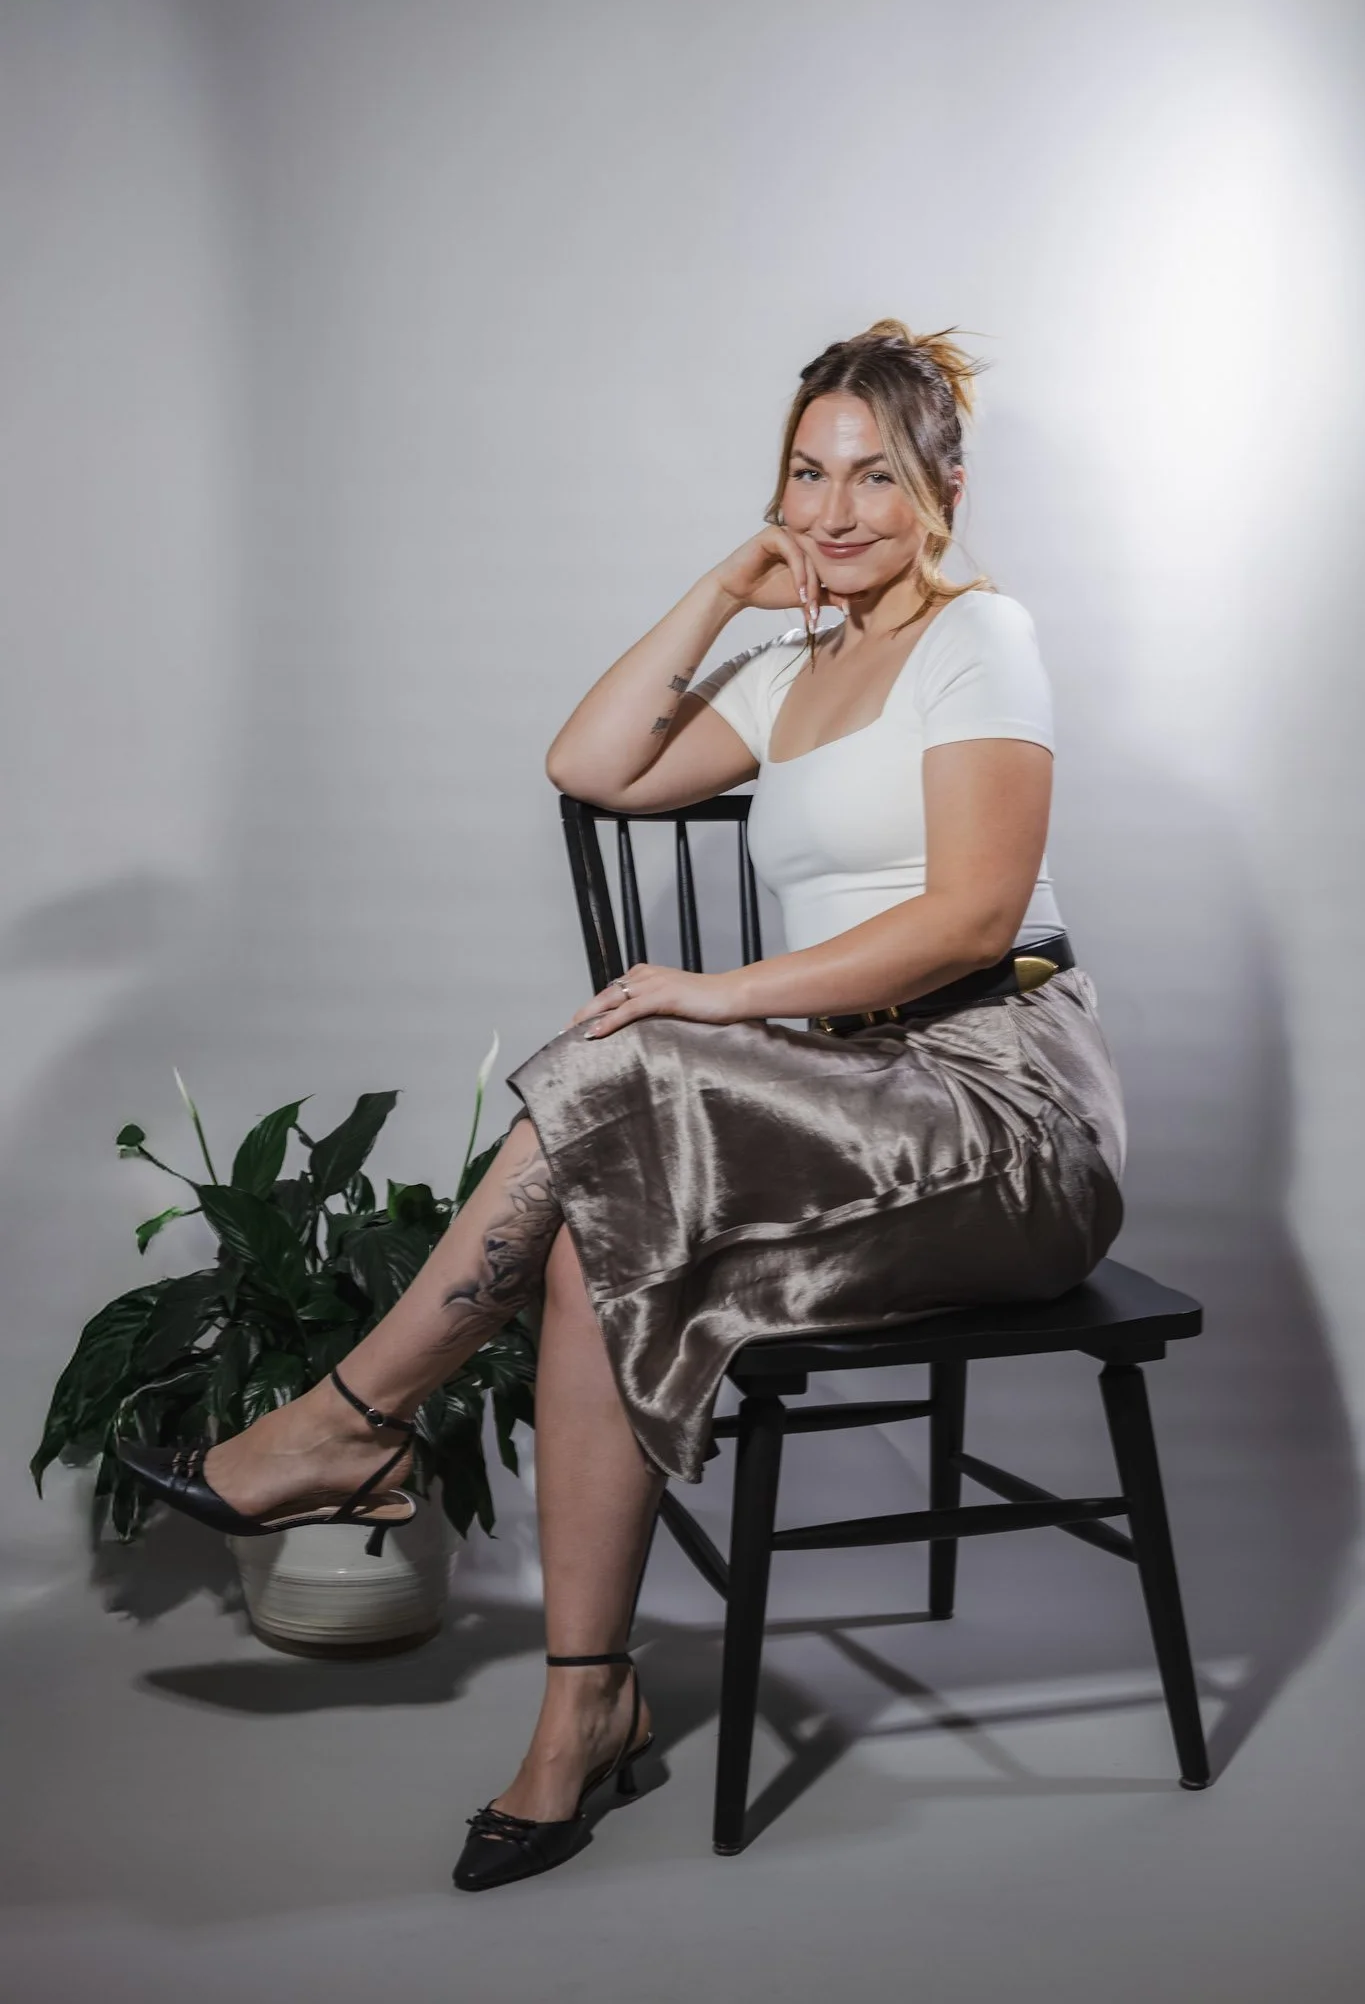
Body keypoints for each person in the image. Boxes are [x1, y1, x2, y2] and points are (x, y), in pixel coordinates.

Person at [120, 320, 1128, 1891]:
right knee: (602, 1215)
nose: (838, 509)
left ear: (943, 483)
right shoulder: (794, 660)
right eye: (808, 472)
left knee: (629, 1075)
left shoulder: (979, 636)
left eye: (875, 473)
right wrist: (733, 586)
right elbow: (588, 763)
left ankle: (353, 1420)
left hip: (1002, 1110)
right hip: (851, 1099)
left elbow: (973, 919)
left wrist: (712, 993)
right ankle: (581, 1711)